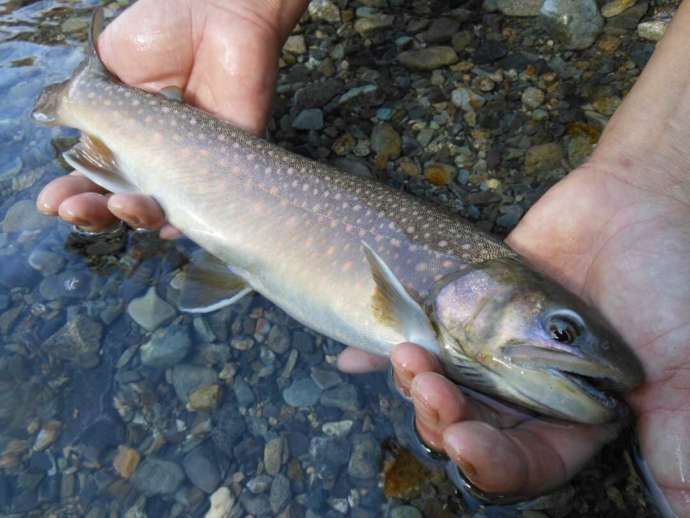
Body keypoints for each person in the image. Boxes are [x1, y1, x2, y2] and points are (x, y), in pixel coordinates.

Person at [36, 0, 690, 514]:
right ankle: (83, 100)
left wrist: (658, 179)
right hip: (191, 159)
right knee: (109, 157)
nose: (565, 344)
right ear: (480, 284)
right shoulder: (426, 307)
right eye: (561, 330)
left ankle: (91, 106)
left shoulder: (448, 304)